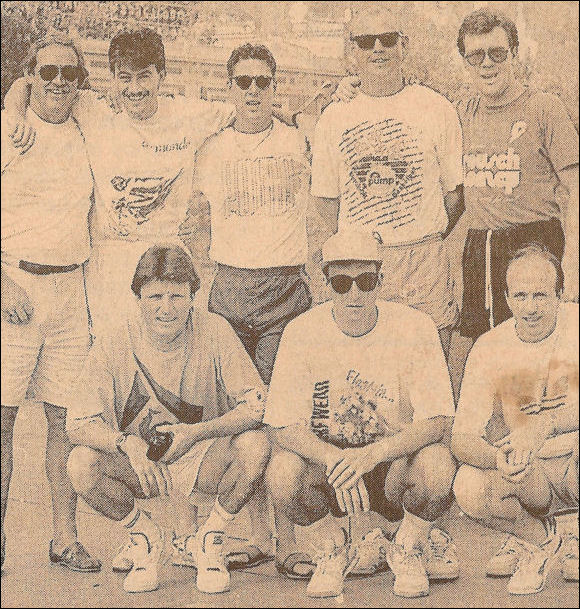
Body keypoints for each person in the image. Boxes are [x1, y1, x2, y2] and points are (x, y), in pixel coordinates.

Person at [65, 244, 272, 594]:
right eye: (155, 296)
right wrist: (126, 443)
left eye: (176, 296)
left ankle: (211, 537)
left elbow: (255, 405)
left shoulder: (215, 330)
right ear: (138, 298)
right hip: (142, 462)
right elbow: (77, 422)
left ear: (193, 295)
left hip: (202, 458)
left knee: (255, 445)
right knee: (80, 463)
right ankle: (144, 536)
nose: (166, 308)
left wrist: (196, 432)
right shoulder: (115, 339)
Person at [263, 229, 458, 598]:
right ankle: (333, 547)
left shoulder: (415, 327)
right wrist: (333, 456)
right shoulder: (301, 331)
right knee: (282, 472)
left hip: (393, 464)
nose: (354, 294)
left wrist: (372, 455)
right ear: (324, 286)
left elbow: (437, 422)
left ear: (381, 281)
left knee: (438, 464)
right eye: (341, 283)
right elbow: (281, 425)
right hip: (334, 469)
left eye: (365, 281)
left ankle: (407, 546)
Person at [310, 7, 464, 357]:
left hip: (423, 261)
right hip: (361, 265)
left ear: (403, 45)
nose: (377, 48)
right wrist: (360, 243)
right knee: (366, 373)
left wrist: (420, 234)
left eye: (387, 39)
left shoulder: (436, 108)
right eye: (366, 42)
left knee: (431, 370)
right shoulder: (334, 117)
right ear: (352, 52)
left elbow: (455, 194)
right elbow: (325, 201)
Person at [1, 35, 100, 573]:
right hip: (13, 291)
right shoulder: (7, 129)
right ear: (31, 75)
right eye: (47, 71)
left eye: (69, 72)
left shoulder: (87, 128)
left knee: (65, 423)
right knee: (3, 425)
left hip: (70, 296)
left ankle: (65, 539)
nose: (58, 80)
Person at [452, 243, 579, 595]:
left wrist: (549, 424)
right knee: (468, 483)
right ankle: (538, 541)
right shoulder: (490, 345)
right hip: (531, 473)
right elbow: (461, 438)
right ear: (506, 298)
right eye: (520, 295)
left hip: (574, 460)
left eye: (541, 295)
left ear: (560, 294)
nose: (531, 307)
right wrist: (498, 459)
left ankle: (576, 536)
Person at [456, 8, 579, 343]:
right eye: (475, 56)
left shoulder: (544, 108)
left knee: (543, 344)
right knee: (481, 342)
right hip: (482, 243)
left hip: (537, 238)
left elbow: (576, 187)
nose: (487, 64)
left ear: (513, 53)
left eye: (497, 53)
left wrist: (575, 258)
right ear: (465, 61)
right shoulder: (461, 114)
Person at [193, 43, 312, 384]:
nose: (253, 90)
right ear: (229, 87)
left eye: (263, 81)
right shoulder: (210, 146)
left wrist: (300, 117)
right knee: (229, 393)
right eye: (243, 82)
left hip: (284, 289)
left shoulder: (298, 140)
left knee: (278, 393)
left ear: (275, 87)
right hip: (230, 287)